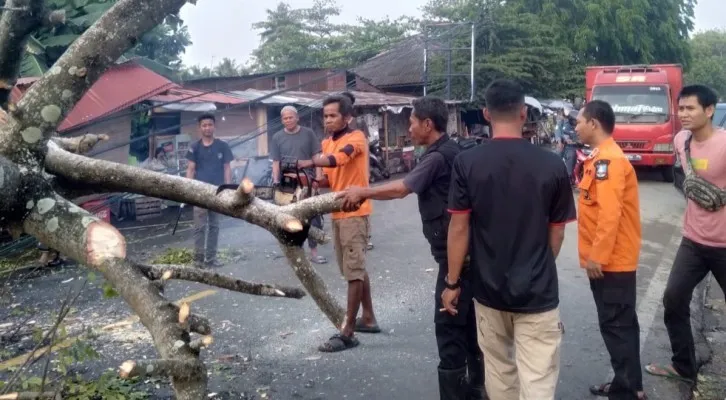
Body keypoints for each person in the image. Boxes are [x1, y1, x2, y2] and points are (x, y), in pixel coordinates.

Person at [338, 96, 486, 400]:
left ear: (428, 124)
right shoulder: (450, 149)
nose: (408, 128)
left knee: (449, 328)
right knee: (470, 326)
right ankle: (478, 389)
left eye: (412, 121)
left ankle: (459, 394)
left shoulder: (437, 157)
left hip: (456, 260)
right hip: (468, 254)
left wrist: (362, 191)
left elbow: (402, 188)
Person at [441, 79, 576, 400]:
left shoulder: (467, 162)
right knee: (538, 378)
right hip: (538, 291)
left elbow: (459, 228)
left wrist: (452, 282)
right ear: (524, 113)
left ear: (486, 113)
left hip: (488, 290)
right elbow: (557, 232)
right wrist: (539, 264)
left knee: (499, 372)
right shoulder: (552, 164)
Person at [646, 84, 726, 385]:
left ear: (709, 110)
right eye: (680, 109)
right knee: (674, 298)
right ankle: (683, 366)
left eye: (690, 108)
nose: (683, 114)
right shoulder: (682, 140)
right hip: (693, 241)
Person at [574, 100, 646, 400]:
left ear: (594, 123)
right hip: (611, 262)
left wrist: (597, 256)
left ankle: (627, 391)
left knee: (617, 327)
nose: (575, 126)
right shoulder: (600, 158)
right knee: (621, 326)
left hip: (611, 263)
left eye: (579, 121)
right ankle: (628, 384)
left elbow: (610, 214)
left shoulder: (609, 162)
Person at [297, 94, 379, 352]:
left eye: (333, 115)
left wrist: (312, 160)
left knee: (353, 271)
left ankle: (347, 332)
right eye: (326, 116)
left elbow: (338, 159)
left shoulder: (356, 139)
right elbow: (330, 181)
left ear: (347, 117)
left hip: (356, 211)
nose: (328, 120)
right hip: (337, 211)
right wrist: (303, 179)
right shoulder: (325, 143)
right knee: (353, 269)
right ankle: (368, 318)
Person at [269, 105, 327, 265]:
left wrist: (319, 179)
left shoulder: (308, 133)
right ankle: (295, 253)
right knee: (290, 219)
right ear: (282, 120)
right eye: (285, 118)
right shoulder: (277, 137)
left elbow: (317, 157)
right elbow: (276, 162)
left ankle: (314, 253)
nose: (288, 120)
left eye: (290, 117)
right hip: (287, 184)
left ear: (297, 117)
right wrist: (275, 182)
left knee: (312, 218)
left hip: (307, 181)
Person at [185, 113, 234, 268]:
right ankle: (198, 261)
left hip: (218, 192)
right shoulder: (194, 147)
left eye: (210, 125)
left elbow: (227, 168)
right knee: (199, 227)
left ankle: (211, 259)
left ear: (214, 126)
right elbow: (190, 169)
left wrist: (228, 189)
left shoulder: (223, 146)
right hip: (199, 193)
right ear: (200, 128)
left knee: (214, 226)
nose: (207, 128)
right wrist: (188, 190)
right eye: (204, 125)